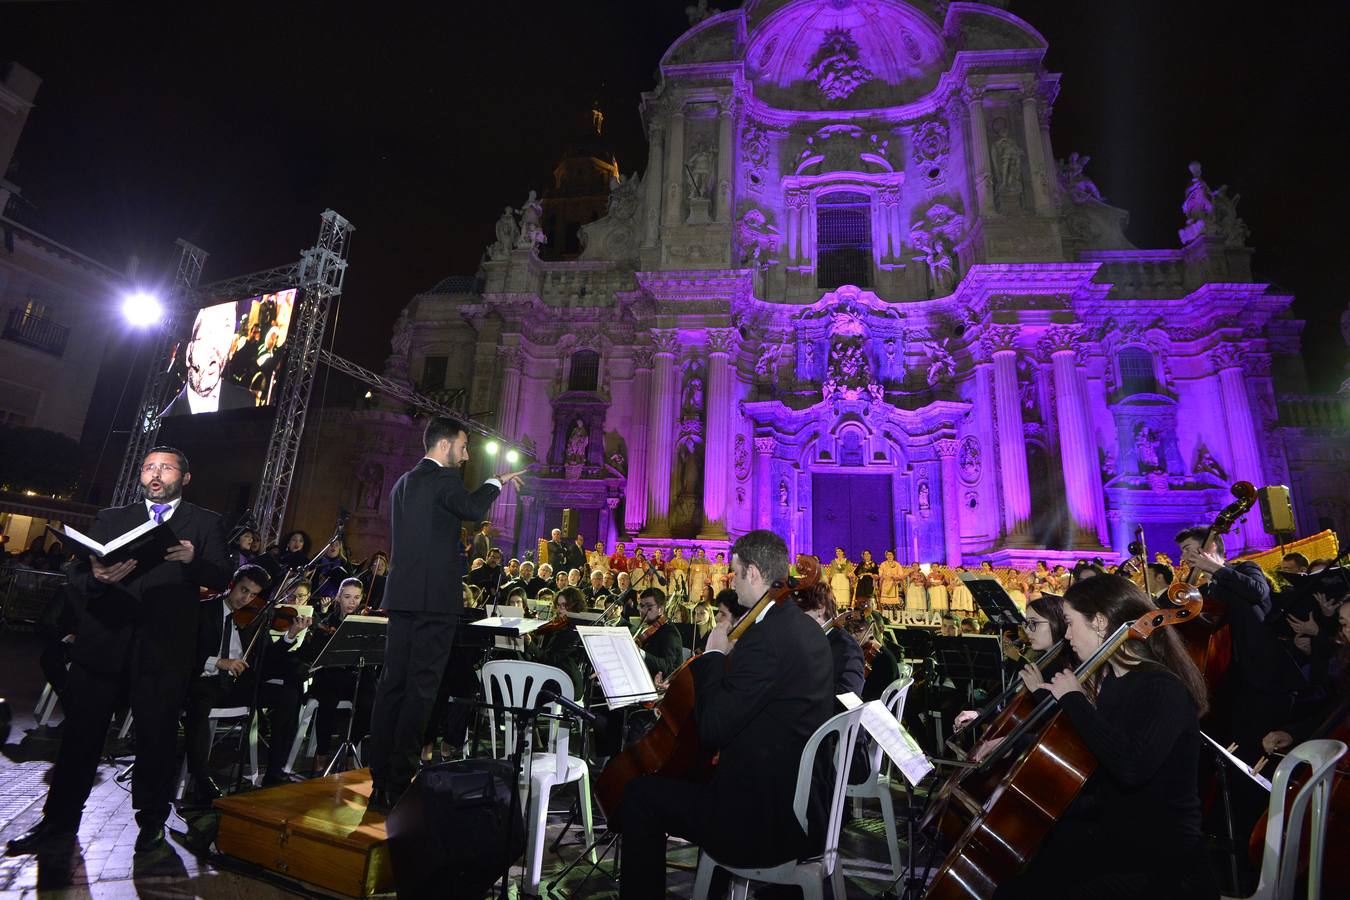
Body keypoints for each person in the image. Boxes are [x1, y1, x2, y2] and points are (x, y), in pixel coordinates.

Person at [7, 446, 232, 856]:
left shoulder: (205, 523)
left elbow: (223, 575)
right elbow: (76, 574)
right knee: (80, 737)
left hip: (164, 651)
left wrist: (193, 561)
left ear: (185, 477)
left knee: (156, 739)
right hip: (104, 643)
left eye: (165, 467)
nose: (155, 474)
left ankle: (151, 826)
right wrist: (96, 575)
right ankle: (57, 822)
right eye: (149, 468)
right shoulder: (112, 518)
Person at [617, 531, 834, 898]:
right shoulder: (805, 630)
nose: (730, 580)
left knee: (639, 795)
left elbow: (713, 727)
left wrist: (715, 655)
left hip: (763, 822)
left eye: (734, 572)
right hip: (807, 808)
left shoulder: (764, 639)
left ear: (752, 573)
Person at [1001, 574, 1216, 899]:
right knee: (1021, 875)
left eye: (1071, 624)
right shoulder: (1115, 682)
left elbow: (1131, 767)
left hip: (1161, 857)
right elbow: (1095, 758)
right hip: (1120, 833)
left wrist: (1073, 700)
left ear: (1100, 622)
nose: (1067, 635)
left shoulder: (1161, 687)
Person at [366, 417, 523, 812]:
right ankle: (398, 783)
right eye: (464, 446)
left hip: (401, 598)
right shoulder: (444, 480)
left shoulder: (403, 482)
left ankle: (379, 778)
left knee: (392, 687)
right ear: (443, 446)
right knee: (420, 692)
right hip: (434, 602)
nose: (467, 454)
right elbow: (470, 508)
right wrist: (497, 482)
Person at [183, 564, 306, 798]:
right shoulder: (203, 610)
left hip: (238, 684)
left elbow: (266, 660)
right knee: (199, 702)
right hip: (205, 680)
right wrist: (218, 662)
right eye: (243, 590)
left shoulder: (256, 616)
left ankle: (274, 771)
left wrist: (290, 636)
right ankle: (200, 777)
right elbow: (184, 652)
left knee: (288, 694)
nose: (246, 599)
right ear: (232, 585)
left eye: (253, 594)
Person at [1177, 526, 1293, 760]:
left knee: (1266, 747)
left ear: (1209, 547)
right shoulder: (1200, 592)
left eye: (1188, 549)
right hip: (1226, 681)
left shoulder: (1245, 569)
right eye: (1182, 552)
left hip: (1261, 675)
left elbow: (1257, 593)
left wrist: (1216, 569)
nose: (1183, 557)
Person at [295, 578, 372, 775]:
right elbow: (314, 655)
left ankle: (348, 750)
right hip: (329, 676)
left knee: (371, 702)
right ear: (338, 597)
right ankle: (321, 754)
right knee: (327, 703)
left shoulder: (366, 622)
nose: (352, 602)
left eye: (356, 597)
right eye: (347, 597)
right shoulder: (327, 622)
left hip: (354, 677)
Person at [795, 582, 864, 697]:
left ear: (820, 608)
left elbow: (848, 699)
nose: (795, 619)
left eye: (800, 611)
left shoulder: (847, 648)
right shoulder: (808, 640)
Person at [634, 587, 683, 678]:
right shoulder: (645, 627)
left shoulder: (670, 632)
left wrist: (640, 652)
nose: (642, 610)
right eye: (641, 606)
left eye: (649, 607)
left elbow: (668, 667)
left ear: (660, 609)